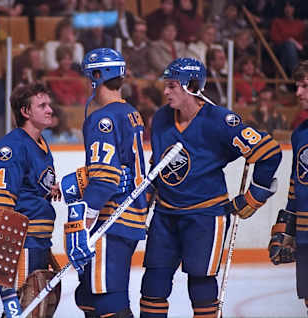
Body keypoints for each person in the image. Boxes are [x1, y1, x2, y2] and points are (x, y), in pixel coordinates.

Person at [140, 57, 281, 317]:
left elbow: (269, 152)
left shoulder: (221, 121)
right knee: (152, 284)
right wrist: (142, 205)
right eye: (166, 85)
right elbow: (157, 166)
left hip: (204, 216)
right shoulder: (161, 118)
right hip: (165, 215)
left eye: (172, 85)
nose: (166, 91)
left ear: (192, 86)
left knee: (201, 282)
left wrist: (254, 196)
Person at [61, 48, 147, 317]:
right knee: (88, 296)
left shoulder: (102, 119)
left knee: (108, 300)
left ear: (98, 76)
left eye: (90, 75)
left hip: (112, 219)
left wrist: (84, 221)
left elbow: (106, 178)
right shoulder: (131, 112)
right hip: (130, 217)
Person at [0, 82, 61, 317]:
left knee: (34, 311)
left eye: (49, 104)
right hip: (22, 243)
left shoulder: (41, 144)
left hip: (39, 242)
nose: (50, 110)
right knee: (24, 310)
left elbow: (31, 189)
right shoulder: (12, 146)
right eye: (42, 105)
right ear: (25, 112)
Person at [269, 60, 308, 315]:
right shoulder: (300, 134)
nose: (299, 93)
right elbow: (296, 186)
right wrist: (288, 228)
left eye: (305, 86)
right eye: (297, 86)